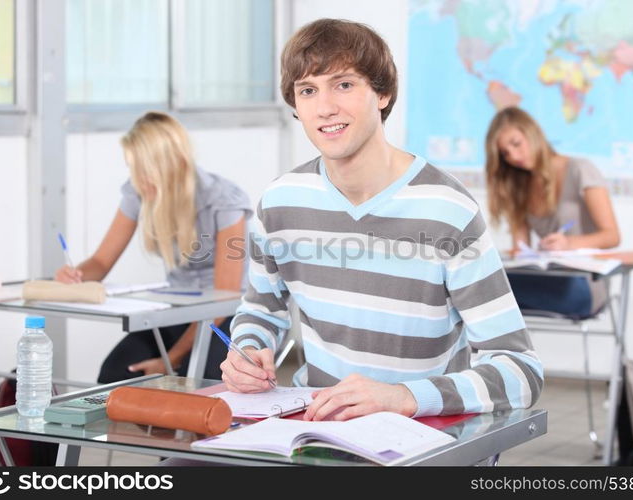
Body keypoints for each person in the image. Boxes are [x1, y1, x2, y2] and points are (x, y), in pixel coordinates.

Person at [221, 19, 542, 421]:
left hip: (420, 435)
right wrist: (247, 351)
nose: (324, 107)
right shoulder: (280, 202)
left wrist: (404, 397)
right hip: (313, 426)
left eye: (344, 84)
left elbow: (520, 371)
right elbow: (260, 310)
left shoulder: (447, 209)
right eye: (307, 90)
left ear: (383, 94)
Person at [55, 111, 251, 383]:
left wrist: (171, 360)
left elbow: (224, 299)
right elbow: (100, 262)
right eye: (133, 169)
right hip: (179, 309)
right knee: (114, 374)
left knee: (192, 379)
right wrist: (75, 275)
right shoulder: (138, 191)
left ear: (171, 165)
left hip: (227, 317)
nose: (138, 179)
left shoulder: (225, 201)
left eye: (144, 171)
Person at [485, 106, 621, 318]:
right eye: (505, 154)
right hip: (546, 278)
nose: (513, 156)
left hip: (584, 284)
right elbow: (520, 250)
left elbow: (612, 236)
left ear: (532, 133)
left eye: (516, 144)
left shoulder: (580, 169)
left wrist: (569, 244)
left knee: (482, 296)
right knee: (478, 288)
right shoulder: (519, 185)